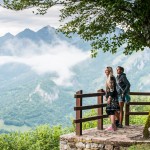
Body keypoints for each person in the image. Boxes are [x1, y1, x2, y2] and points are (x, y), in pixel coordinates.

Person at [104, 67, 120, 131]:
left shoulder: (111, 77)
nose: (105, 72)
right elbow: (108, 89)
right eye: (105, 71)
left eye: (107, 71)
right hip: (111, 96)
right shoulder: (109, 77)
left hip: (112, 97)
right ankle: (114, 125)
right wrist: (106, 95)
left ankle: (113, 126)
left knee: (111, 111)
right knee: (110, 111)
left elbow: (112, 88)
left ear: (110, 71)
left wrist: (109, 97)